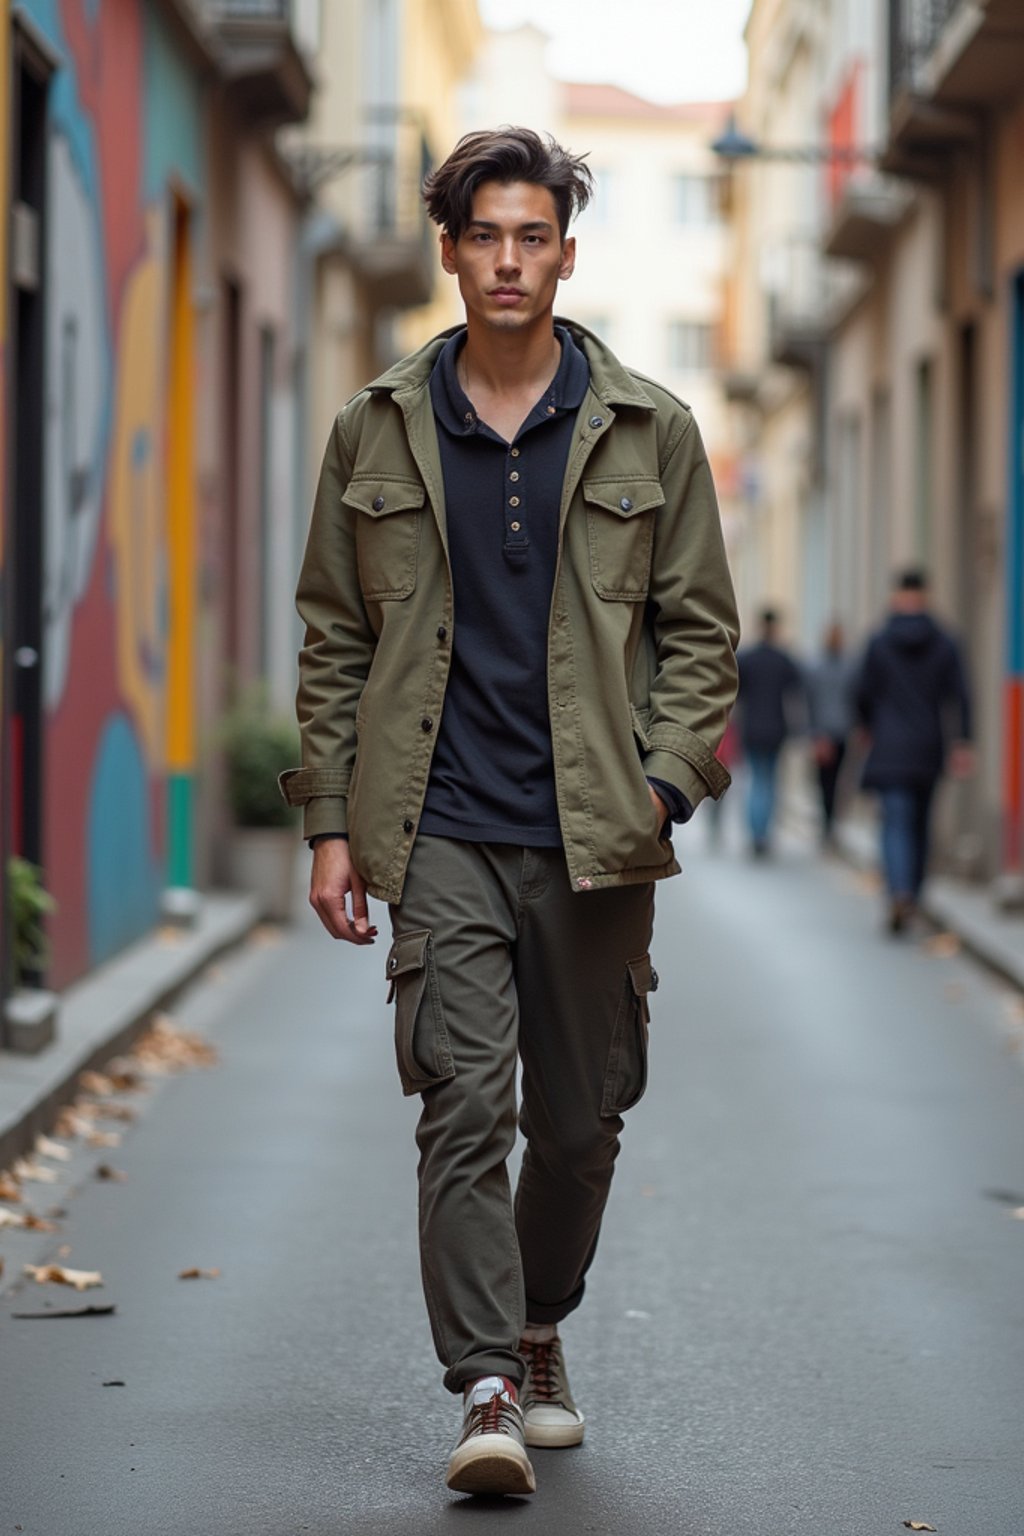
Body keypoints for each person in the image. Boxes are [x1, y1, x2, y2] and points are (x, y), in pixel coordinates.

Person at [279, 128, 739, 1498]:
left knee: (584, 1119)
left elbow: (701, 636)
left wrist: (664, 783)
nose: (508, 260)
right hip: (443, 831)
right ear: (451, 252)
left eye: (532, 236)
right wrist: (328, 824)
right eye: (485, 235)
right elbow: (332, 638)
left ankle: (540, 1325)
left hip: (597, 840)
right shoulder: (377, 424)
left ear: (566, 256)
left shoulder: (652, 426)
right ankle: (484, 1381)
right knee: (462, 1103)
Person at [854, 569, 973, 934]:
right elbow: (961, 695)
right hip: (928, 744)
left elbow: (861, 692)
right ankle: (913, 895)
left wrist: (866, 726)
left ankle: (899, 892)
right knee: (920, 823)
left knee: (895, 822)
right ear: (925, 596)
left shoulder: (879, 640)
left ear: (896, 596)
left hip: (889, 745)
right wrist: (964, 741)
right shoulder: (945, 641)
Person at [735, 609, 802, 855]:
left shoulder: (747, 658)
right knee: (770, 781)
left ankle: (756, 833)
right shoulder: (782, 659)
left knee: (756, 780)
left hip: (751, 728)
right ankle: (763, 834)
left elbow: (736, 692)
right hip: (776, 728)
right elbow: (796, 689)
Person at [804, 620, 856, 846]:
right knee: (831, 780)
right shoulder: (845, 667)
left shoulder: (822, 667)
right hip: (835, 732)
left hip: (832, 733)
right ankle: (829, 822)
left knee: (829, 781)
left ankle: (829, 822)